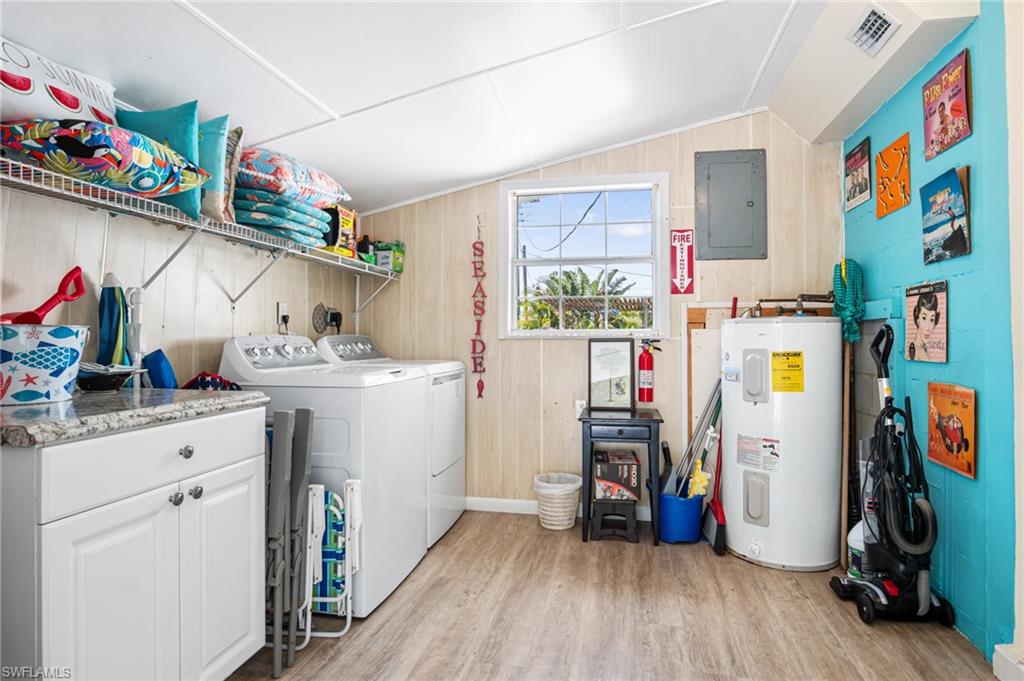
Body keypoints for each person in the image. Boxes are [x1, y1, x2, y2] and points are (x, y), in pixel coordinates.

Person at [908, 292, 940, 360]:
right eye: (924, 318)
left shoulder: (923, 349)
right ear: (917, 320)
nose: (928, 328)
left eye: (932, 320)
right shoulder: (918, 354)